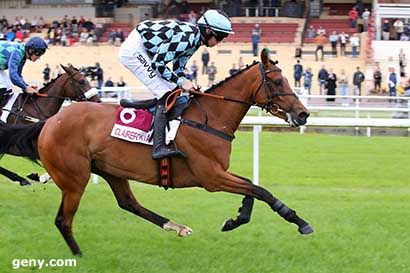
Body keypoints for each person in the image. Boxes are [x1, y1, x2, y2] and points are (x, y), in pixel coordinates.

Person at [119, 9, 233, 159]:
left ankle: (139, 105)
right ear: (208, 30)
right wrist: (181, 82)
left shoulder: (195, 40)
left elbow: (178, 68)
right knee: (166, 94)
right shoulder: (187, 37)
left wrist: (188, 84)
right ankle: (158, 147)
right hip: (135, 51)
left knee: (175, 92)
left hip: (147, 50)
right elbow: (158, 64)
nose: (219, 42)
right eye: (219, 37)